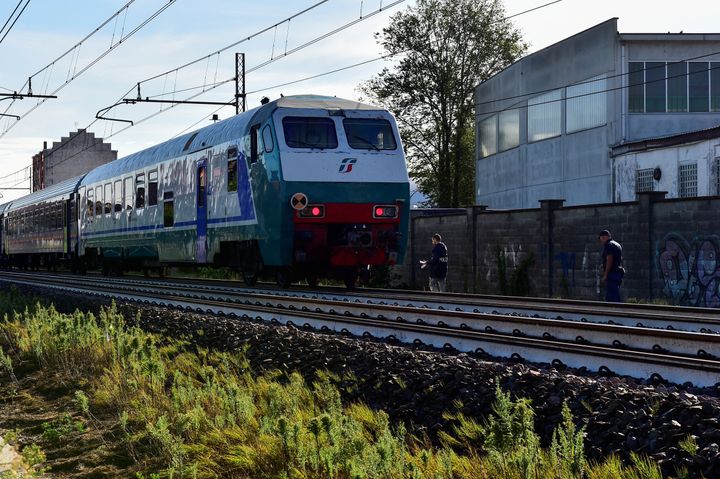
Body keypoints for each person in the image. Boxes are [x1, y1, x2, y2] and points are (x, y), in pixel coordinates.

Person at [598, 230, 624, 302]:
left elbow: (610, 259)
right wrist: (603, 265)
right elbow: (619, 259)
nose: (601, 242)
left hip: (612, 273)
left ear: (603, 237)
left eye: (600, 239)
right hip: (618, 272)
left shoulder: (608, 245)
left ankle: (616, 312)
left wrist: (606, 274)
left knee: (612, 297)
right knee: (614, 294)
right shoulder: (617, 244)